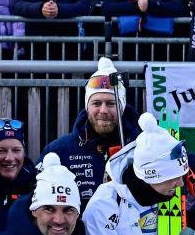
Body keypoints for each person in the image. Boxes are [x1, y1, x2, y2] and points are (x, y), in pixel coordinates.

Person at [41, 60, 142, 205]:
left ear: (122, 107)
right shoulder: (59, 150)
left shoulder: (142, 146)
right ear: (87, 106)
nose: (103, 110)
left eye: (111, 103)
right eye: (96, 103)